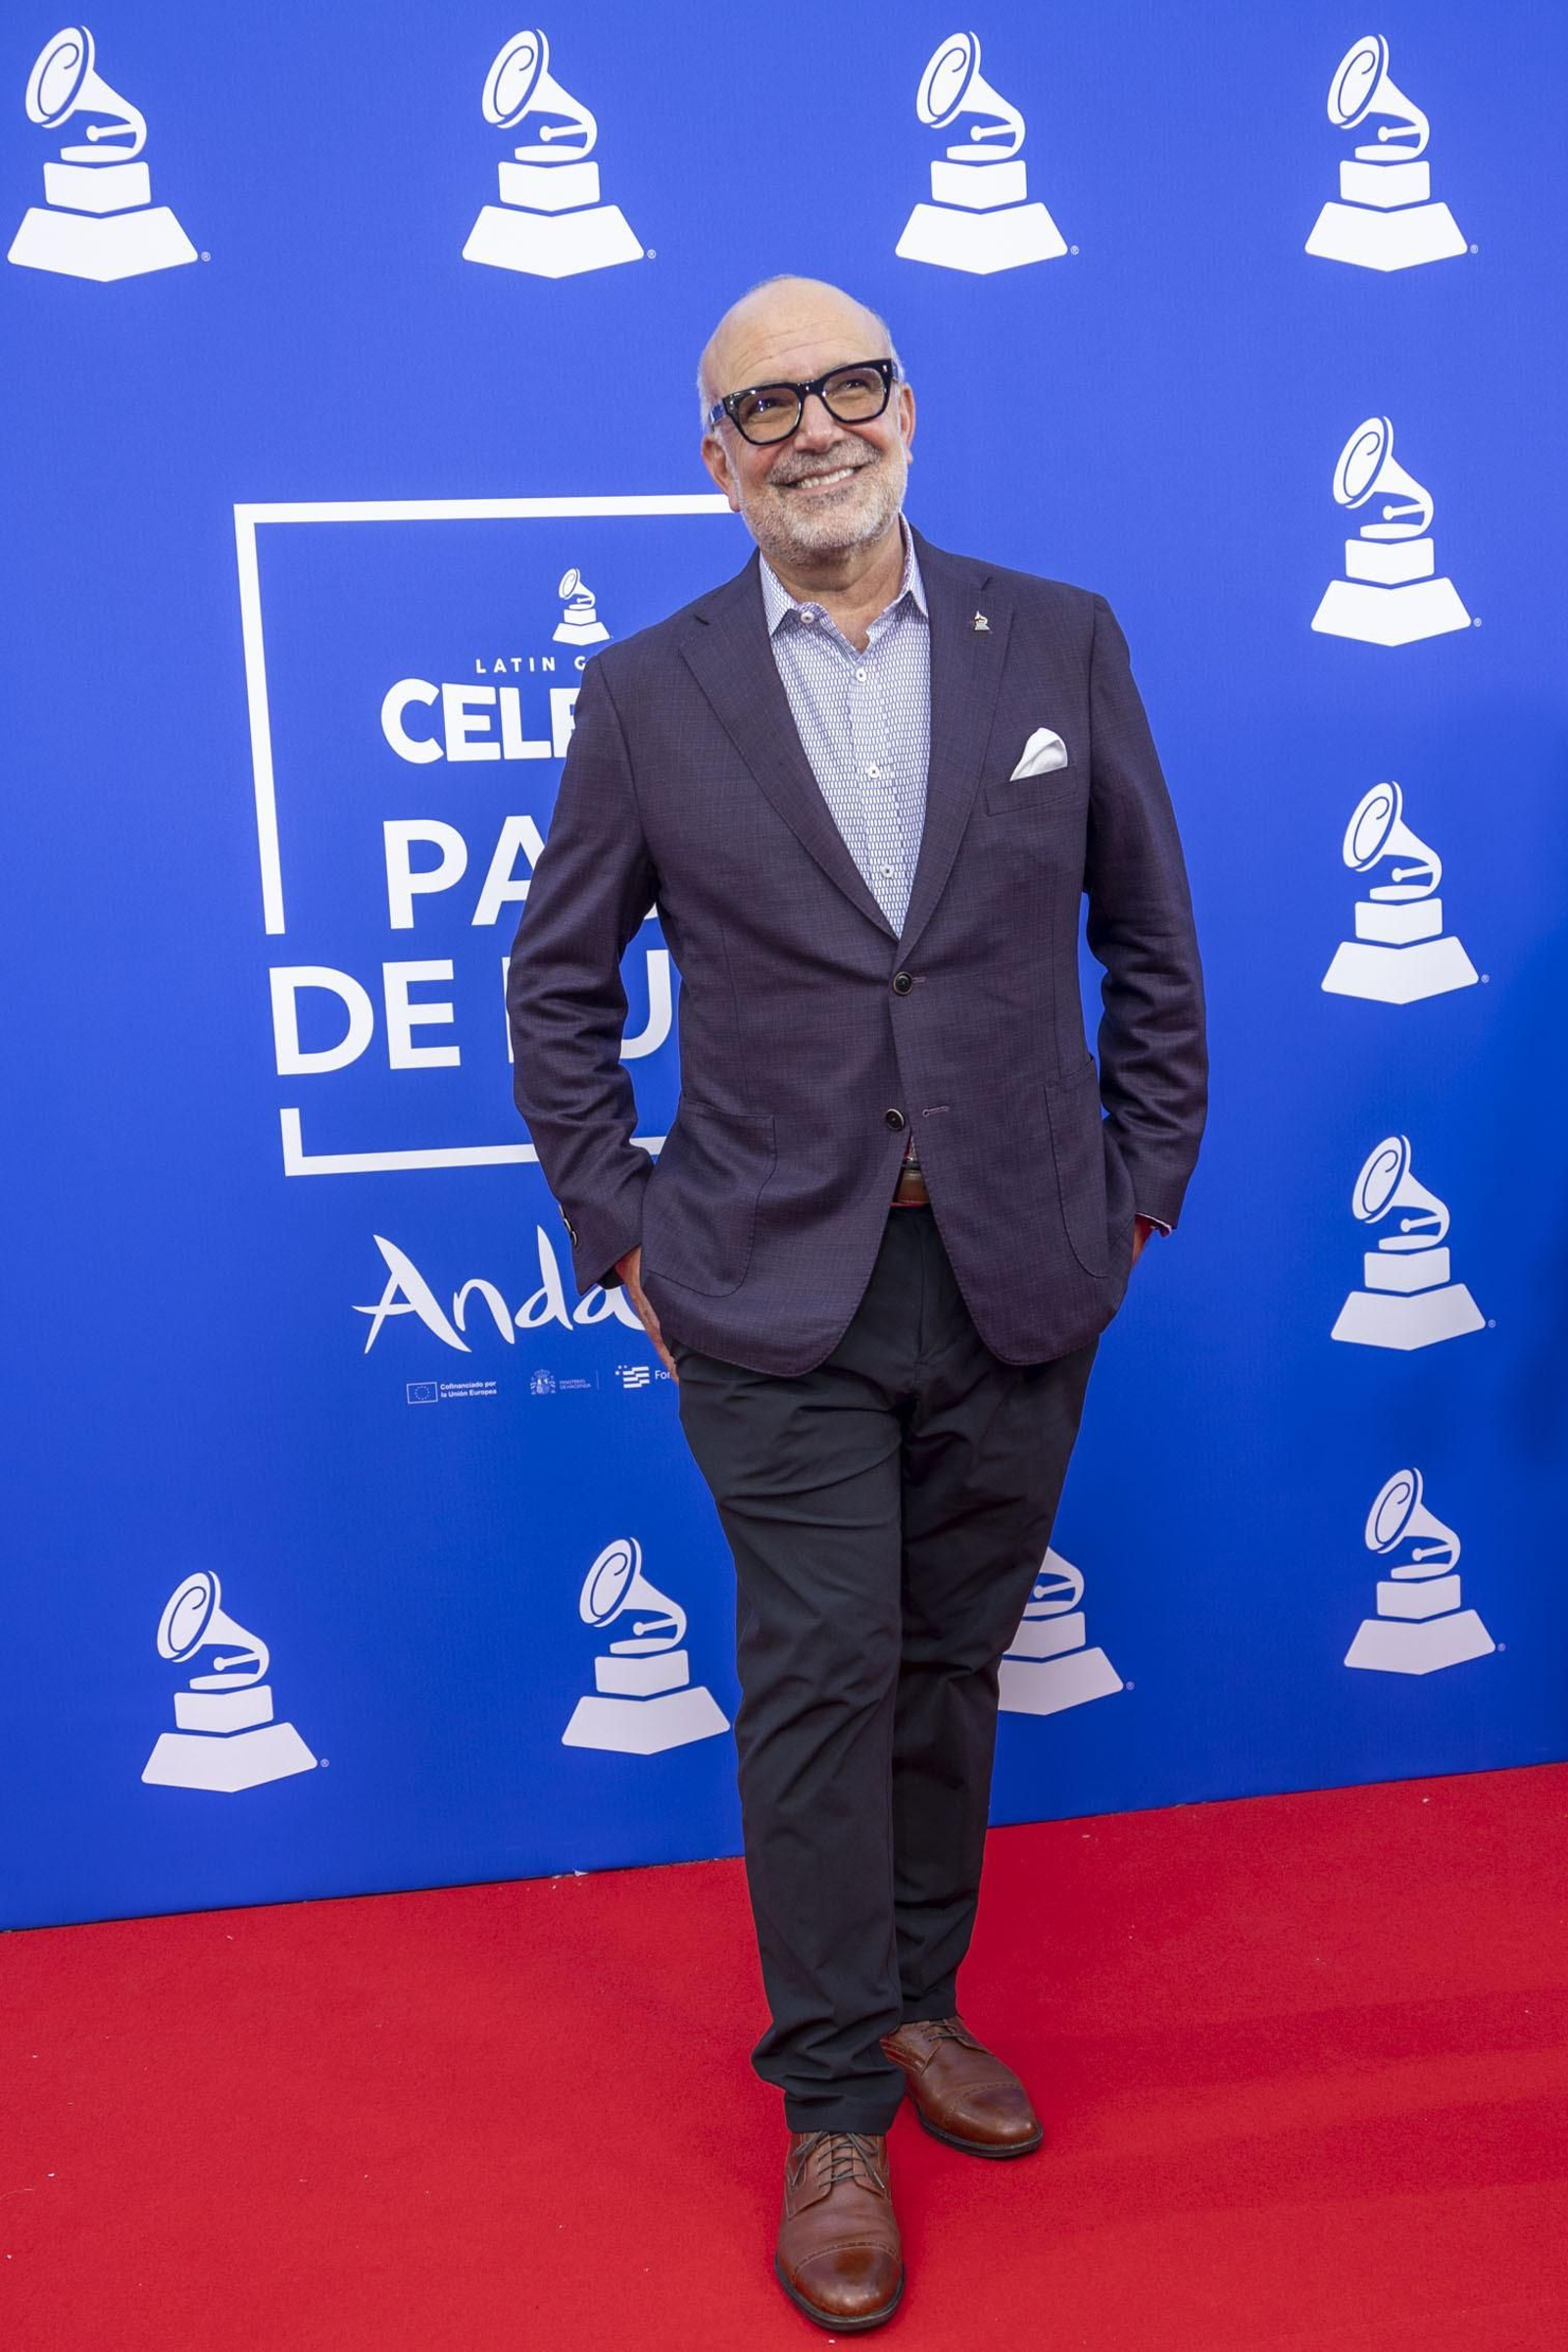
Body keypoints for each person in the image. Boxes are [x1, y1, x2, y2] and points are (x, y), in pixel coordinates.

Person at [506, 274, 1206, 2332]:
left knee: (944, 1666)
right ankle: (828, 2104)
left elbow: (1147, 944)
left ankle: (914, 2000)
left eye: (848, 386)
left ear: (909, 406)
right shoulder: (646, 694)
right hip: (765, 1283)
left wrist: (1133, 1190)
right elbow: (557, 993)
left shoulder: (1055, 637)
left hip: (1015, 1268)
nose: (814, 428)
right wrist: (624, 1231)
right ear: (710, 459)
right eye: (763, 407)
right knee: (819, 1673)